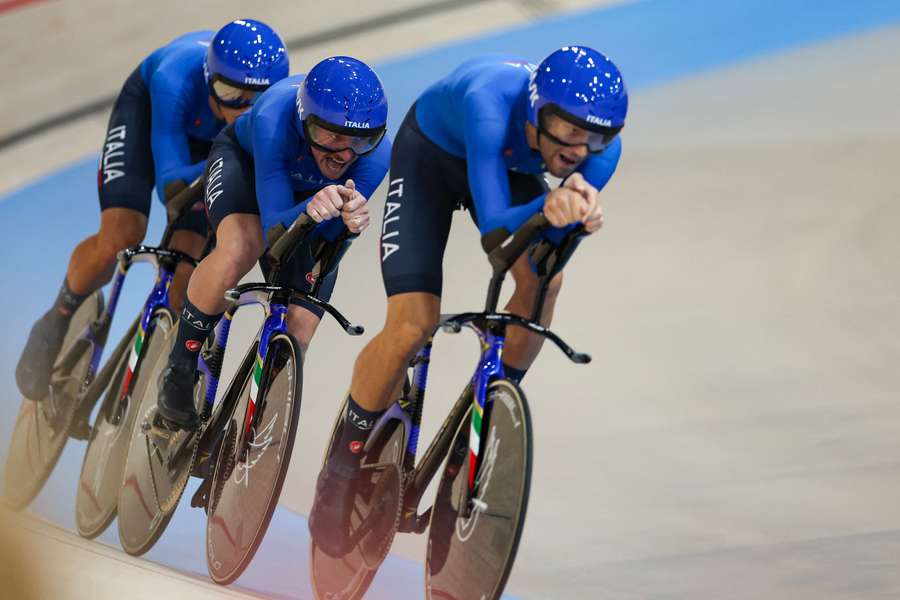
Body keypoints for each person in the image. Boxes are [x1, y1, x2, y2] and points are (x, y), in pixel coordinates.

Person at [308, 45, 628, 557]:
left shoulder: (597, 154)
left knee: (549, 278)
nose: (578, 150)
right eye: (567, 130)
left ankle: (495, 400)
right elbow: (499, 236)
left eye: (595, 136)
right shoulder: (487, 103)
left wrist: (575, 221)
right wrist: (552, 205)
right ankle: (341, 466)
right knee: (413, 324)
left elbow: (548, 251)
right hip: (431, 159)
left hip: (504, 169)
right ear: (536, 113)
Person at [15, 19, 289, 401]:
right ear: (209, 80)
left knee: (188, 265)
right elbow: (174, 188)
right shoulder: (174, 77)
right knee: (122, 234)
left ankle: (154, 375)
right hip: (153, 124)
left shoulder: (262, 112)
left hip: (209, 151)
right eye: (231, 93)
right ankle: (56, 319)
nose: (242, 110)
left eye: (256, 99)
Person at [155, 56, 391, 430]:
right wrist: (312, 209)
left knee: (301, 320)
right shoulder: (272, 119)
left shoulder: (375, 157)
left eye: (361, 139)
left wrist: (348, 227)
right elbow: (275, 231)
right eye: (331, 136)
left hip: (308, 203)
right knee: (240, 249)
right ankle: (179, 369)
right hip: (248, 171)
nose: (345, 153)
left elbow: (325, 250)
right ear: (303, 122)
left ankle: (253, 432)